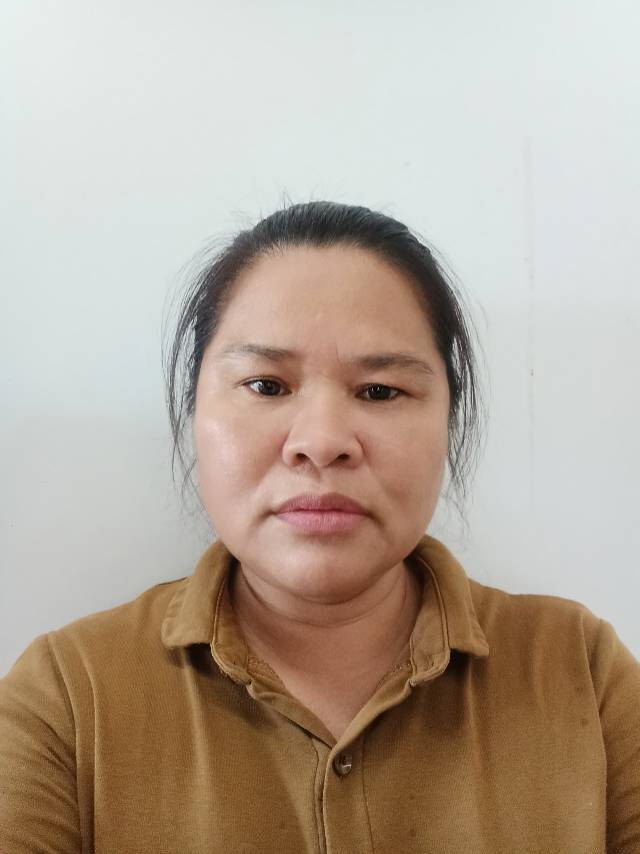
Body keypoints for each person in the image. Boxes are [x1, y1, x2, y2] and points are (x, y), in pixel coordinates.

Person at [1, 201, 638, 853]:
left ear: (449, 418)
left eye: (379, 391)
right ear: (194, 413)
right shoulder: (67, 695)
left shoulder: (581, 674)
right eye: (266, 386)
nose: (322, 441)